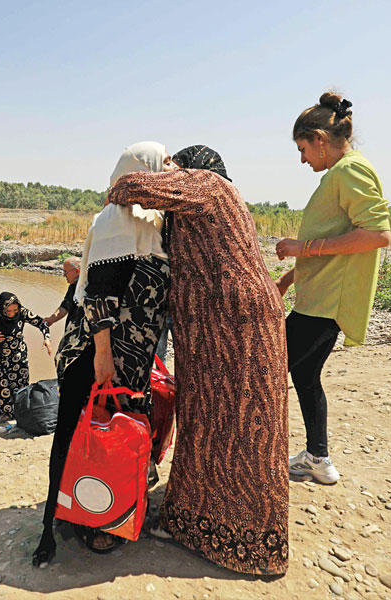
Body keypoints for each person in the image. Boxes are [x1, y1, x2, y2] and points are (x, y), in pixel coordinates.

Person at [106, 145, 289, 576]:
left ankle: (253, 542)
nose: (172, 171)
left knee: (246, 426)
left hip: (238, 328)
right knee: (208, 422)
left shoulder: (210, 186)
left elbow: (128, 185)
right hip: (216, 332)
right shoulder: (201, 206)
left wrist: (162, 170)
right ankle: (197, 525)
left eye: (176, 165)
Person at [33, 142, 172, 566]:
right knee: (76, 434)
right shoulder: (117, 220)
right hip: (97, 353)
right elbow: (99, 294)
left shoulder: (152, 219)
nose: (171, 167)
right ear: (139, 168)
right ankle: (58, 525)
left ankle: (102, 510)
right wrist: (104, 353)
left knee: (110, 433)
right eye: (163, 161)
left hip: (128, 355)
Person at [276, 93, 390, 485]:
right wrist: (288, 280)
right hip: (317, 297)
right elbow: (336, 239)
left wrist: (300, 248)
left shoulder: (349, 172)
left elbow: (377, 234)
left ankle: (258, 454)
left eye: (303, 148)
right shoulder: (340, 174)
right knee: (304, 375)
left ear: (321, 139)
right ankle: (318, 459)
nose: (303, 158)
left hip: (327, 304)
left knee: (270, 368)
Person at [0, 293, 51, 421]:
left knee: (21, 385)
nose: (12, 313)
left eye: (15, 310)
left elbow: (42, 323)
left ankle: (21, 412)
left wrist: (47, 338)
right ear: (2, 308)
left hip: (18, 356)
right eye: (8, 311)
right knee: (2, 386)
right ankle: (5, 414)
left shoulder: (23, 313)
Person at [43, 256, 81, 334]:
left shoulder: (90, 288)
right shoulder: (73, 286)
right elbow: (65, 307)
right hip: (72, 333)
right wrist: (51, 319)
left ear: (77, 271)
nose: (64, 275)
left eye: (66, 272)